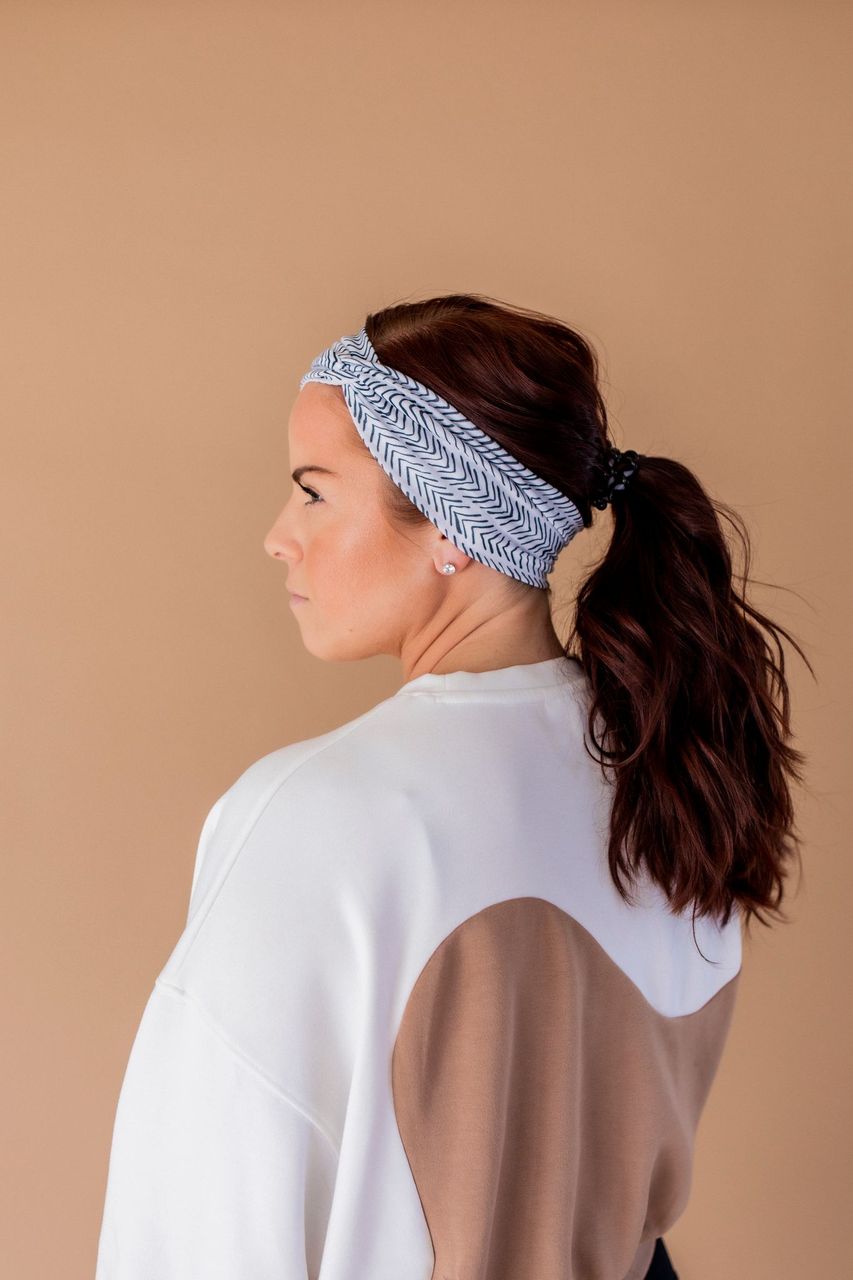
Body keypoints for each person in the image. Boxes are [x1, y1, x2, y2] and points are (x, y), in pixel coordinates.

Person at [94, 293, 811, 1279]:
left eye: (313, 492)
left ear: (450, 523)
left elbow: (195, 1230)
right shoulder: (675, 785)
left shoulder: (314, 815)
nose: (278, 536)